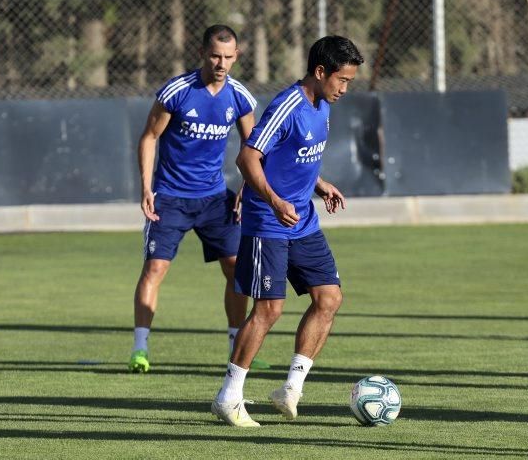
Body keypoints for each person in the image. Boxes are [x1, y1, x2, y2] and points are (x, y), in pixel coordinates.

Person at [210, 35, 364, 427]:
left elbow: (294, 158)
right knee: (268, 310)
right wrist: (275, 201)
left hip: (302, 220)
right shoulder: (288, 105)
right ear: (320, 72)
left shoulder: (323, 105)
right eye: (342, 80)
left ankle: (290, 389)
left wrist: (319, 183)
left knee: (329, 298)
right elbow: (248, 158)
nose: (345, 88)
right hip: (268, 221)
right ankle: (228, 397)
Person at [129, 24, 269, 373]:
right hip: (170, 197)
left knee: (237, 268)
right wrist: (147, 188)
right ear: (202, 54)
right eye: (215, 55)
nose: (221, 63)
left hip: (213, 200)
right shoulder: (177, 91)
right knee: (155, 268)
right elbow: (149, 138)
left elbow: (254, 148)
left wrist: (245, 188)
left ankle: (237, 346)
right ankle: (140, 349)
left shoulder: (239, 96)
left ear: (237, 56)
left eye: (228, 57)